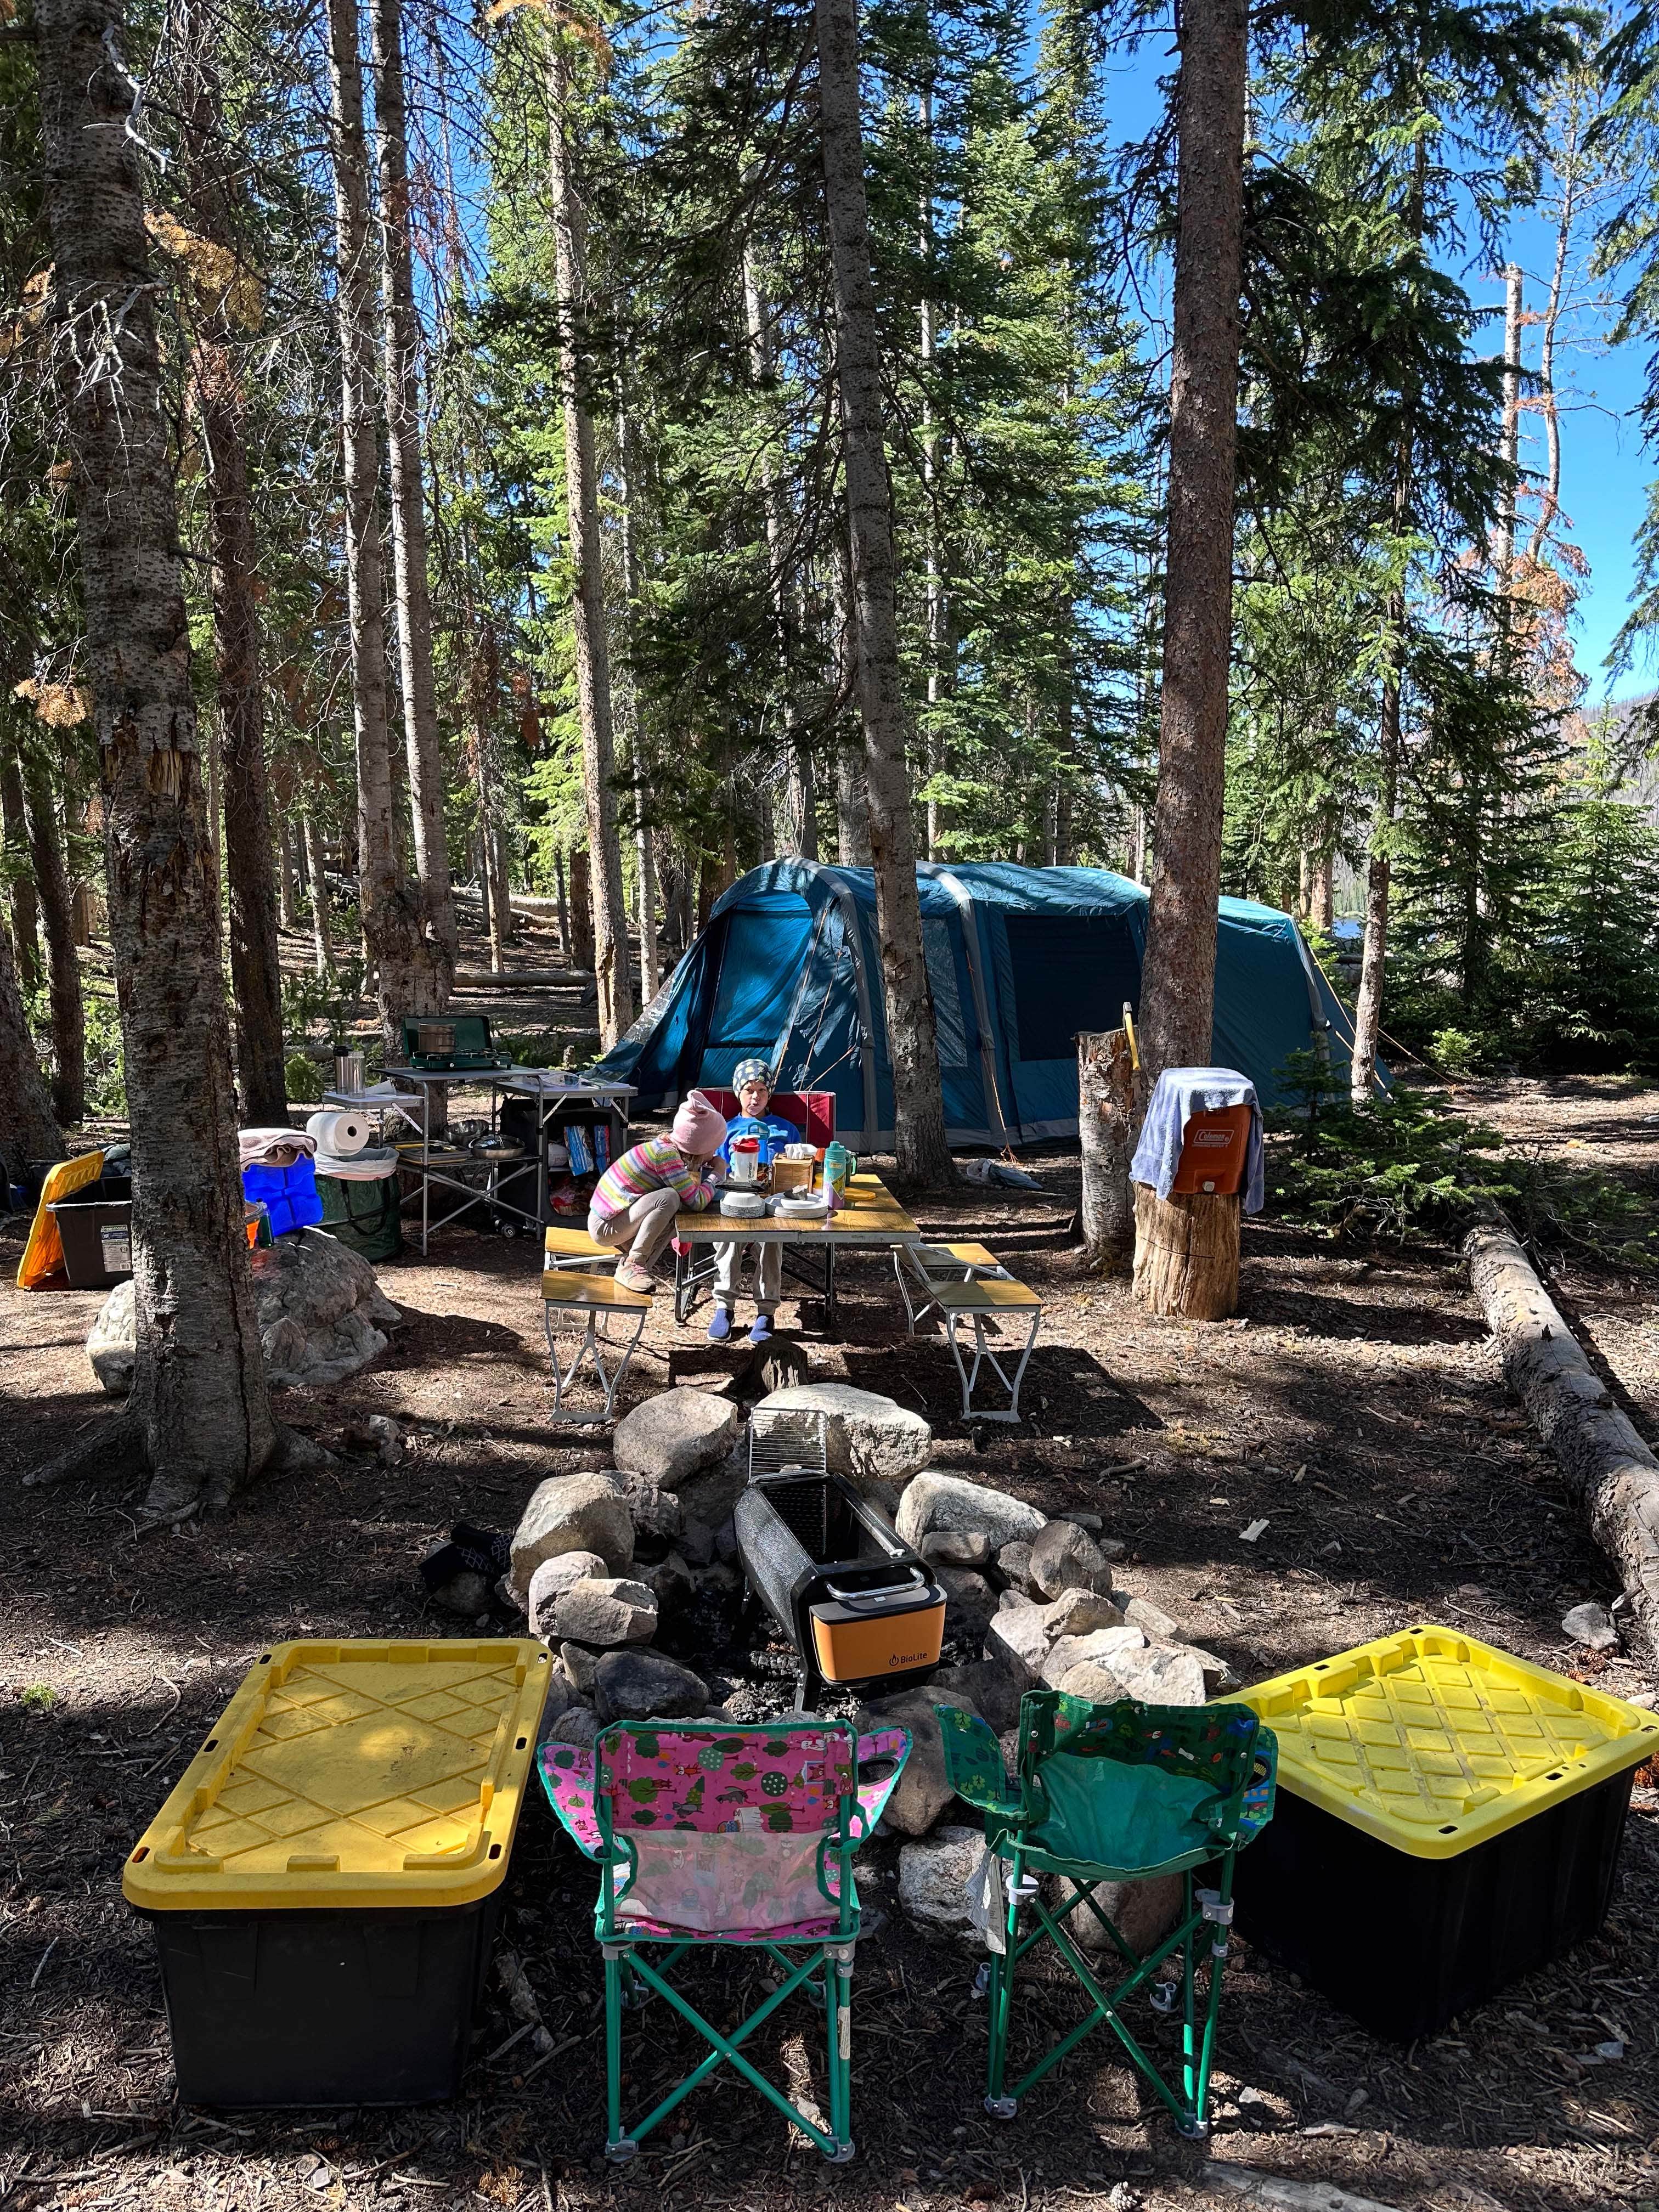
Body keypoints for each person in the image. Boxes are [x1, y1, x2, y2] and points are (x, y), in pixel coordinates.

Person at [588, 1090, 726, 1294]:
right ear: (699, 1146)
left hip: (613, 1219)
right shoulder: (666, 1156)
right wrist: (718, 1173)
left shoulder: (666, 1147)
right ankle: (633, 1263)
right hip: (605, 1227)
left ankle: (634, 1252)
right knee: (669, 1198)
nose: (714, 1154)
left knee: (673, 1199)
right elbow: (696, 1202)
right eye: (713, 1148)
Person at [708, 1059, 802, 1346]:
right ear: (738, 1092)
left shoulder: (786, 1129)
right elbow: (718, 1171)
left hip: (773, 1201)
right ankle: (724, 1306)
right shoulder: (726, 1129)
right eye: (749, 1090)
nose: (756, 1097)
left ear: (769, 1094)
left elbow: (798, 1167)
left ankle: (766, 1311)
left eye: (762, 1090)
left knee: (772, 1241)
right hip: (736, 1198)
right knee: (727, 1239)